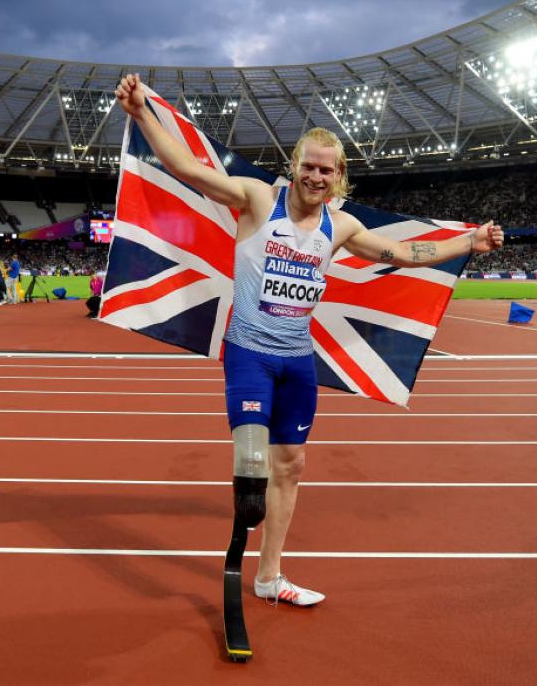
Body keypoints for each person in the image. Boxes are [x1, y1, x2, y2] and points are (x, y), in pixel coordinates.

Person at [115, 73, 505, 607]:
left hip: (297, 358)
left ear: (338, 176)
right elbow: (187, 169)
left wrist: (469, 242)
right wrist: (141, 112)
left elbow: (402, 255)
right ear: (294, 166)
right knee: (253, 465)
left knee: (292, 464)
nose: (315, 176)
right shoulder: (257, 199)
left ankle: (269, 576)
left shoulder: (340, 227)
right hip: (250, 349)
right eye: (308, 166)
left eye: (326, 169)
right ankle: (244, 512)